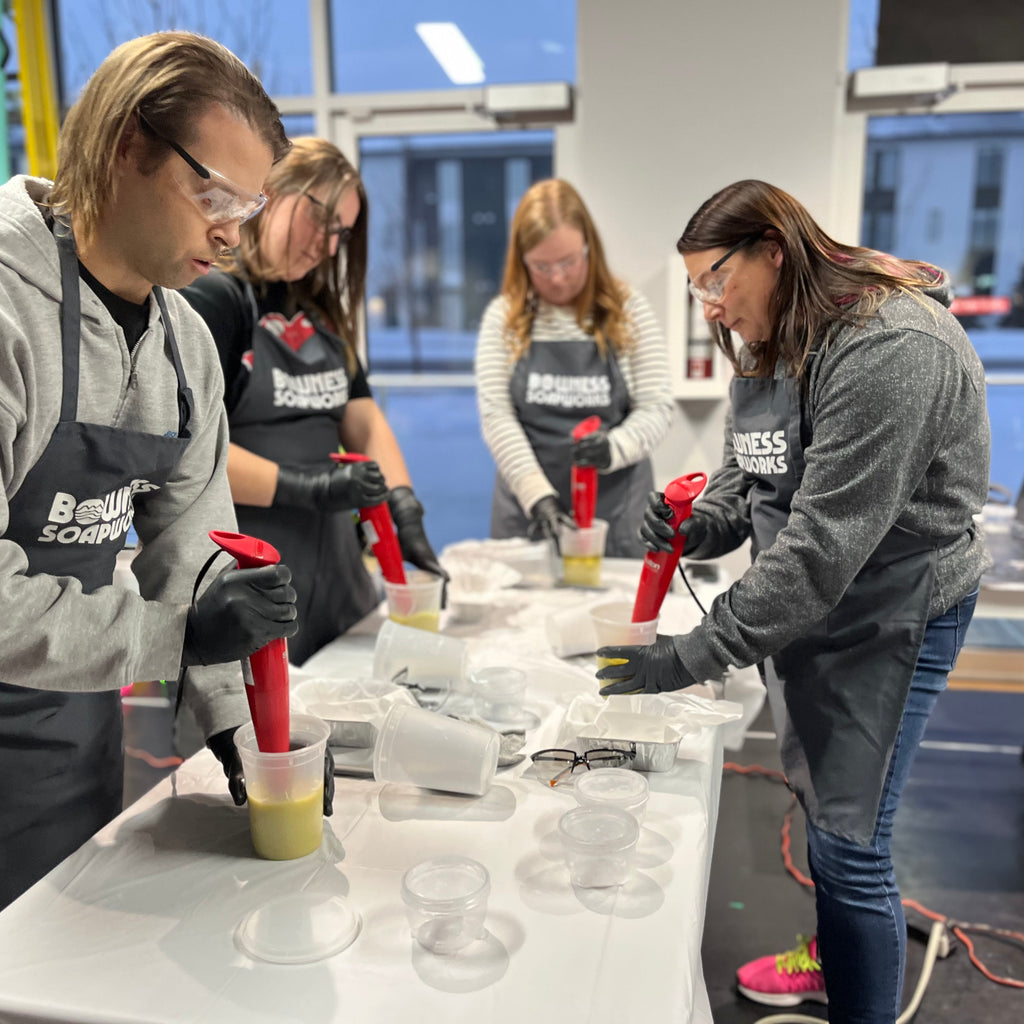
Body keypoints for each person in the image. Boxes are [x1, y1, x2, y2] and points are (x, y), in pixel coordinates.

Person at [597, 180, 991, 1023]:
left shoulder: (892, 348)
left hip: (894, 611)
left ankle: (858, 994)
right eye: (695, 288)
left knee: (852, 845)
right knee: (822, 804)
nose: (709, 306)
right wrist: (702, 525)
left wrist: (687, 658)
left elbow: (820, 549)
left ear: (773, 252)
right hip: (813, 603)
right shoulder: (772, 337)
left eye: (715, 280)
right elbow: (753, 476)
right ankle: (832, 956)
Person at [0, 32, 329, 911]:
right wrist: (173, 636)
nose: (231, 234)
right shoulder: (8, 314)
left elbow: (196, 552)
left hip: (72, 728)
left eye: (247, 207)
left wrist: (244, 731)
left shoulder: (184, 346)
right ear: (126, 146)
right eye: (213, 195)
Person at [182, 137, 446, 666]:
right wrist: (307, 487)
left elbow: (364, 420)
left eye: (341, 234)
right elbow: (190, 452)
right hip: (253, 582)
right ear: (271, 191)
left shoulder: (318, 310)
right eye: (322, 221)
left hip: (340, 583)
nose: (329, 247)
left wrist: (403, 505)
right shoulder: (215, 299)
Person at [475, 178, 673, 557]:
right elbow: (497, 417)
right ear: (522, 261)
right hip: (530, 510)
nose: (557, 278)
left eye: (568, 262)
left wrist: (613, 448)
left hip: (615, 515)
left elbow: (657, 407)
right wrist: (538, 497)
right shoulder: (504, 318)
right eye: (541, 266)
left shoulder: (627, 310)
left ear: (589, 247)